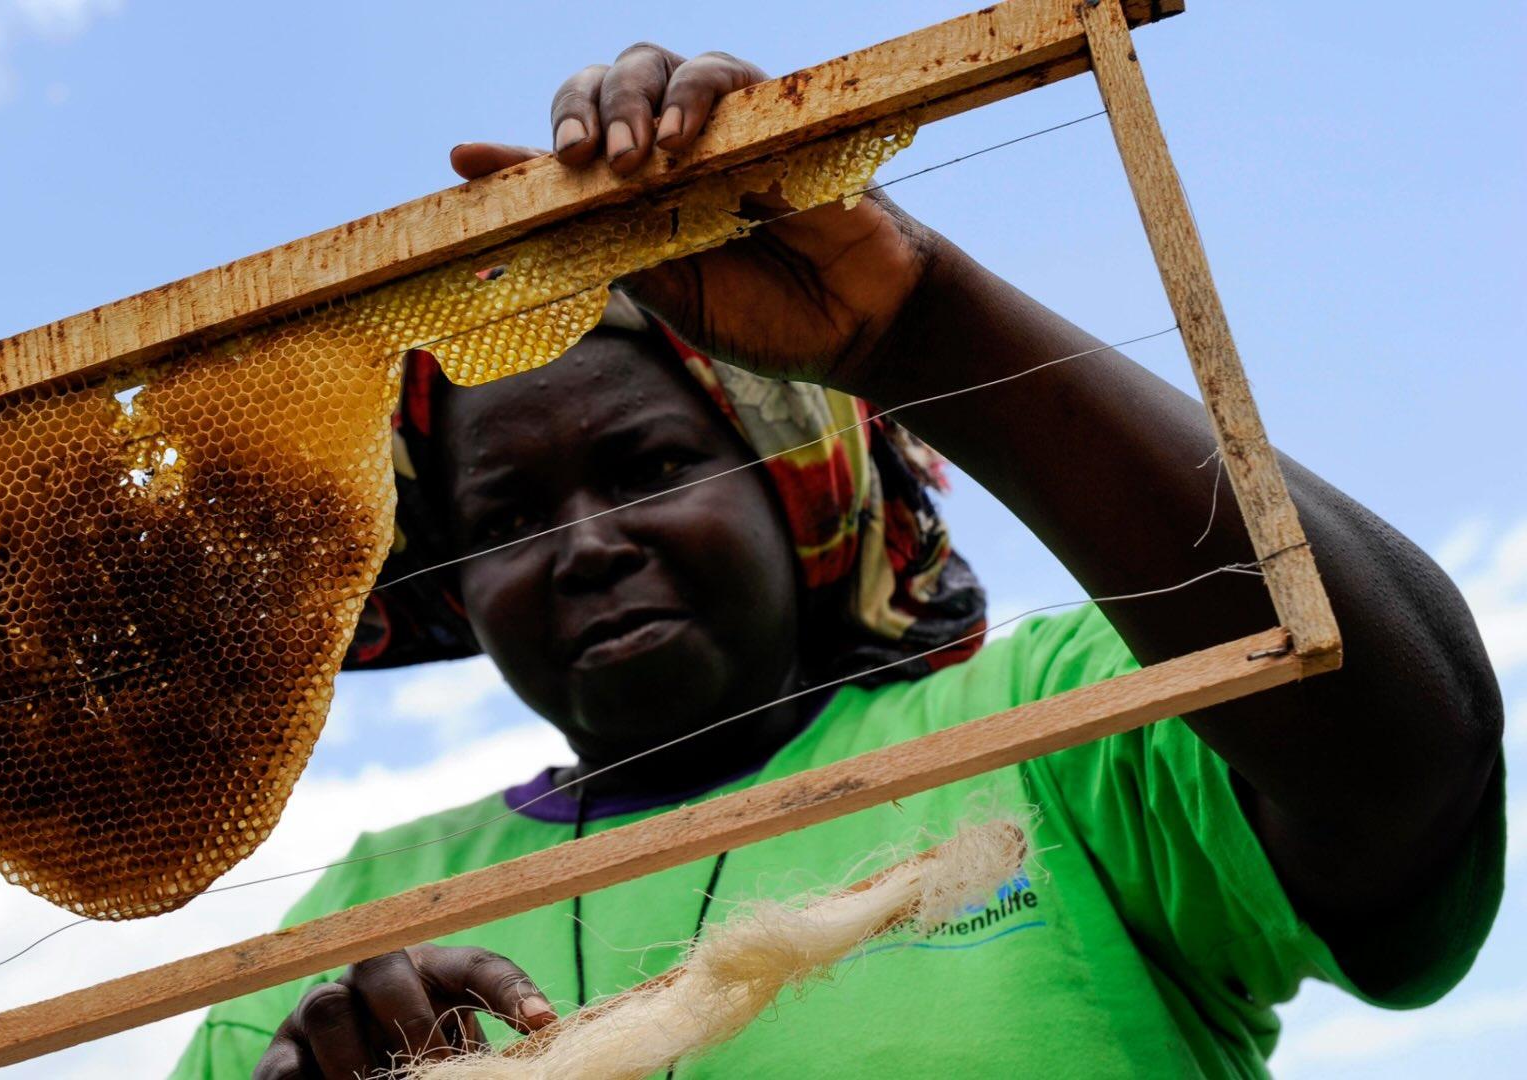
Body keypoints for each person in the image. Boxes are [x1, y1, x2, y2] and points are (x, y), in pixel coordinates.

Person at [171, 45, 1504, 1079]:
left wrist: (919, 323)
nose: (584, 547)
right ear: (450, 578)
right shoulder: (352, 921)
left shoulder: (1051, 722)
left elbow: (1418, 786)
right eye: (507, 519)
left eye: (649, 470)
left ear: (799, 486)